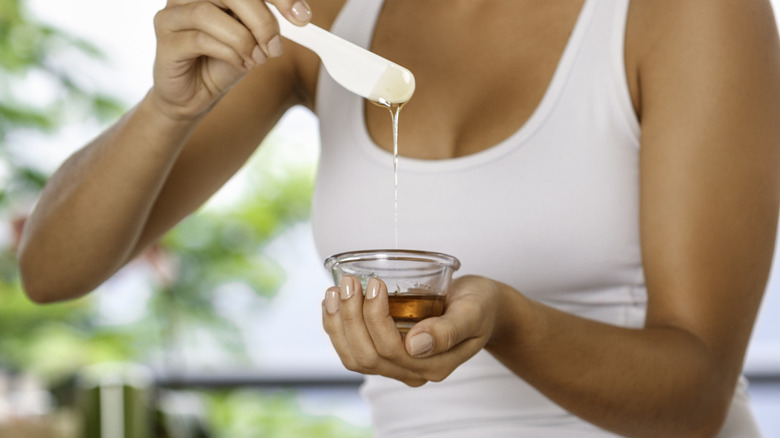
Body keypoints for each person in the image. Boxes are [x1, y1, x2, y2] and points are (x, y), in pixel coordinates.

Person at [17, 0, 780, 436]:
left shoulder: (688, 14)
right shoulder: (321, 20)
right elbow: (51, 271)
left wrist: (507, 321)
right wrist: (167, 108)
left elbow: (699, 394)